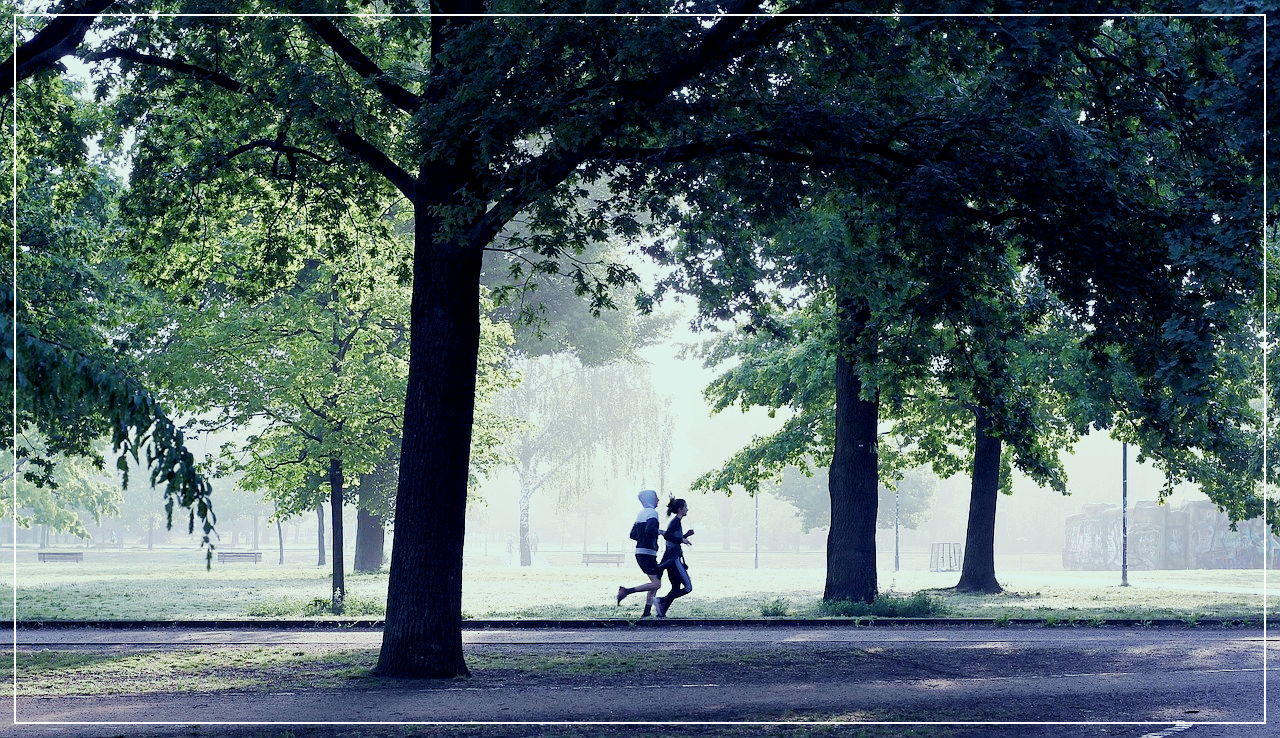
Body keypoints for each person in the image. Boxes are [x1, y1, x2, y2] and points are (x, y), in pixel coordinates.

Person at [617, 489, 662, 617]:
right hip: (648, 552)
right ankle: (626, 591)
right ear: (651, 499)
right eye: (656, 497)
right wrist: (660, 533)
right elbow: (650, 530)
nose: (658, 500)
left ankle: (647, 612)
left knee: (655, 582)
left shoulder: (641, 514)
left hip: (641, 551)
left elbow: (632, 535)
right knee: (656, 584)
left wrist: (643, 539)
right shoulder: (653, 513)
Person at [655, 497, 694, 618]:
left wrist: (685, 535)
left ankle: (661, 611)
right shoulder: (675, 522)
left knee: (676, 587)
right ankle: (661, 601)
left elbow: (671, 537)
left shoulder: (676, 522)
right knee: (688, 588)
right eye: (685, 507)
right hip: (674, 559)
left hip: (671, 559)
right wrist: (682, 539)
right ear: (680, 509)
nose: (687, 509)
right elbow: (667, 536)